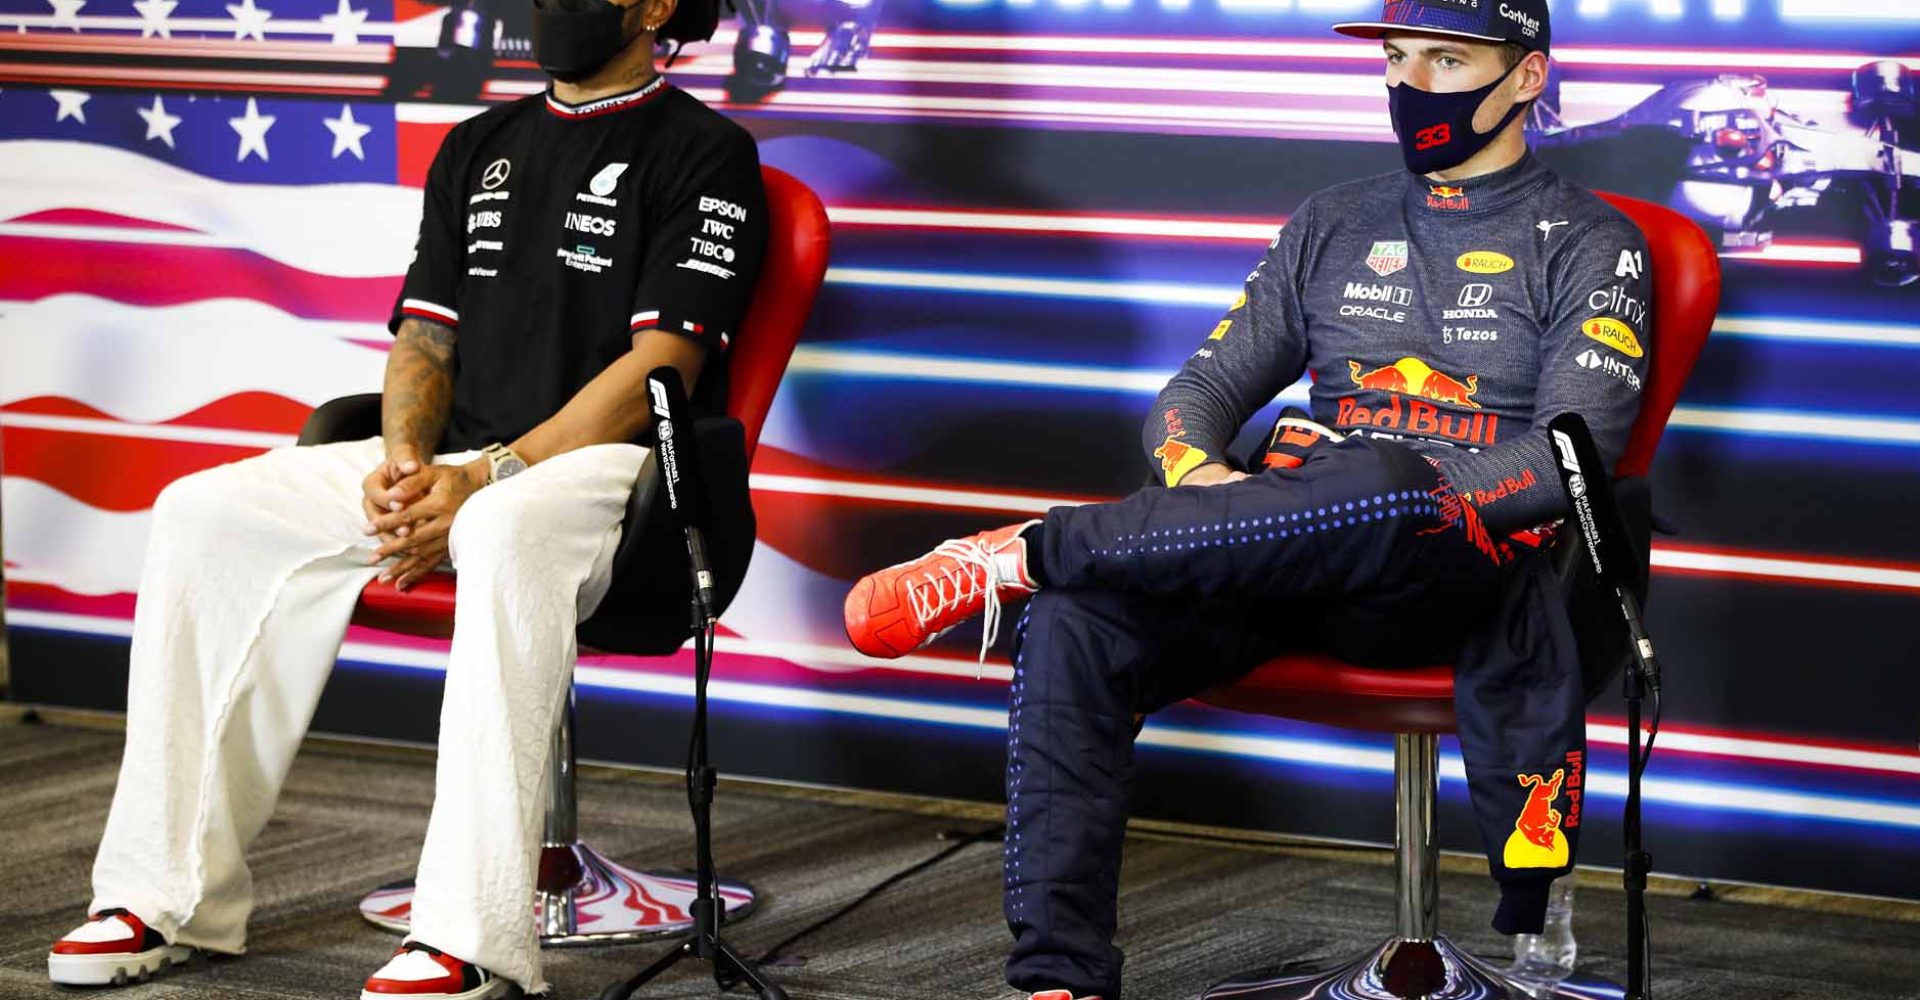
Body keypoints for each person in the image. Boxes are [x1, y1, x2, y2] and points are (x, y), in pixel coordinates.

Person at [842, 1, 1650, 997]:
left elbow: (1570, 454)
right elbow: (1196, 396)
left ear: (1527, 78)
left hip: (1457, 571)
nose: (1413, 84)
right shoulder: (1333, 219)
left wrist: (1409, 488)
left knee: (1387, 480)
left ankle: (1023, 549)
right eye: (1400, 58)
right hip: (1291, 543)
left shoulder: (1593, 240)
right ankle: (1060, 975)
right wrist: (1201, 481)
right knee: (1075, 624)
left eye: (1448, 59)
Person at [45, 0, 767, 995]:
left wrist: (485, 477)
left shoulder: (707, 151)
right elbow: (425, 338)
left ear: (653, 7)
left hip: (618, 470)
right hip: (461, 463)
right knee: (202, 513)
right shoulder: (480, 145)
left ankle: (468, 935)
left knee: (506, 527)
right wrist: (402, 468)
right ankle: (160, 893)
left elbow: (662, 367)